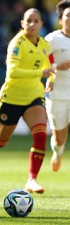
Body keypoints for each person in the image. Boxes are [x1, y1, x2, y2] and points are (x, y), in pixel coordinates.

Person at [0, 8, 54, 194]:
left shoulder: (44, 45)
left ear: (41, 24)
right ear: (22, 24)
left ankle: (32, 179)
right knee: (0, 141)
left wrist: (51, 80)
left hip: (34, 96)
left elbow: (49, 68)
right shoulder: (17, 44)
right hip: (11, 99)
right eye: (29, 21)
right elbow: (13, 72)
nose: (32, 24)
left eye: (36, 21)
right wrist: (40, 73)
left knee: (41, 134)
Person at [44, 0, 70, 172]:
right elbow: (42, 66)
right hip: (57, 94)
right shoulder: (52, 39)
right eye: (68, 16)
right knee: (59, 138)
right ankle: (58, 151)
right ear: (61, 19)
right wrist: (57, 68)